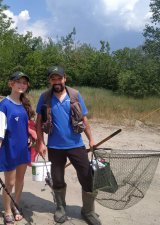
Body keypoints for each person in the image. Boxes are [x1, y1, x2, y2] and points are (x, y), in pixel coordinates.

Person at [36, 66, 102, 225]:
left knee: (87, 177)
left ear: (65, 78)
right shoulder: (44, 98)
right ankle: (60, 208)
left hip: (76, 145)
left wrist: (91, 139)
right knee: (57, 179)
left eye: (59, 78)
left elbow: (84, 120)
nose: (57, 81)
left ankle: (88, 211)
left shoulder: (75, 95)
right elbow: (38, 122)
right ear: (50, 81)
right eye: (53, 79)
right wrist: (41, 142)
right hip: (54, 147)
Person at [0, 71, 35, 225]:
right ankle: (7, 210)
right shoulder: (5, 105)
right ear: (11, 84)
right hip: (10, 150)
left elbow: (26, 126)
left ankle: (16, 205)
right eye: (18, 82)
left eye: (24, 82)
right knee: (10, 183)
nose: (22, 85)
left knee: (20, 180)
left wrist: (29, 137)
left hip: (23, 149)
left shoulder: (24, 104)